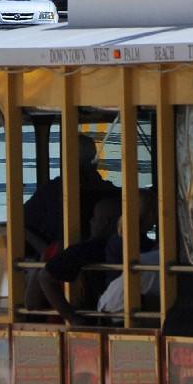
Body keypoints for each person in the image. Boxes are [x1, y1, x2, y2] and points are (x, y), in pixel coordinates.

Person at [24, 195, 121, 327]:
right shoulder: (138, 246)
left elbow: (41, 283)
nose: (91, 222)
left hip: (95, 318)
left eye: (94, 218)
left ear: (106, 222)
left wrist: (73, 318)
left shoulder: (87, 249)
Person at [21, 135, 118, 259]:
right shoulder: (110, 192)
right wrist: (48, 251)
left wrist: (47, 252)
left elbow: (20, 223)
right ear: (95, 161)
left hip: (66, 260)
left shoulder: (52, 191)